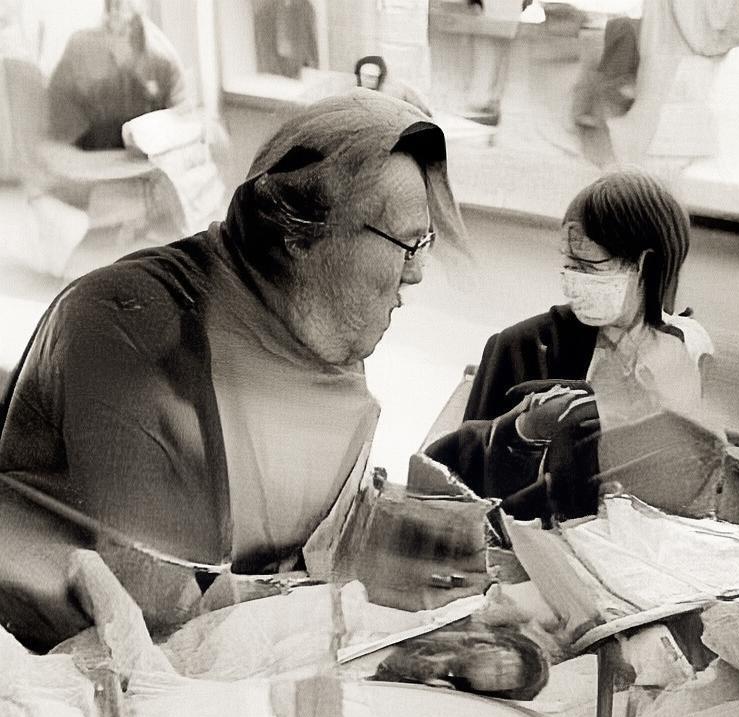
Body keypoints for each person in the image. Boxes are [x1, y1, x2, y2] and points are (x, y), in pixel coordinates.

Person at [0, 91, 468, 651]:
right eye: (406, 245)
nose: (416, 274)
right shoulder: (133, 328)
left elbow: (311, 541)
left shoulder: (307, 337)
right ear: (299, 236)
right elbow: (165, 616)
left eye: (425, 243)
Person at [426, 168, 710, 520]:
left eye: (588, 266)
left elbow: (690, 483)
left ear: (644, 266)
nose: (572, 280)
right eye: (568, 264)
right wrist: (526, 431)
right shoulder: (520, 348)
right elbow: (461, 487)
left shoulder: (686, 351)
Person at [47, 0, 187, 151]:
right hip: (86, 158)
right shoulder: (79, 49)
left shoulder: (163, 59)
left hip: (146, 159)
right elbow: (55, 124)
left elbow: (180, 125)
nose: (119, 8)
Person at [354, 54, 433, 117]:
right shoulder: (355, 95)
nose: (369, 80)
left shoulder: (399, 90)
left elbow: (425, 113)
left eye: (373, 77)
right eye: (365, 76)